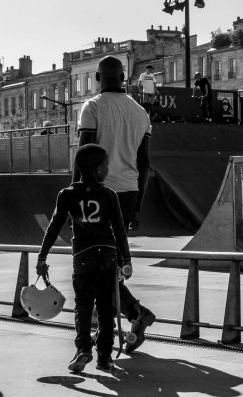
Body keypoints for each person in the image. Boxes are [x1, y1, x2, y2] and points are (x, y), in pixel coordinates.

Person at [76, 55, 155, 354]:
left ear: (98, 78)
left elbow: (83, 157)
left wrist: (74, 195)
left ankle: (135, 312)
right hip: (129, 192)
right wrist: (137, 207)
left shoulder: (92, 106)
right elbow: (145, 164)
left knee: (95, 266)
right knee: (106, 264)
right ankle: (131, 315)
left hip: (97, 194)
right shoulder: (140, 113)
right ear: (123, 78)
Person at [37, 143, 132, 372]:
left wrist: (42, 257)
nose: (108, 168)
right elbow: (119, 230)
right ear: (99, 169)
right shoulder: (109, 195)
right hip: (108, 255)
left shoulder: (67, 194)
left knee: (83, 305)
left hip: (83, 256)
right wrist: (126, 261)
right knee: (106, 308)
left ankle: (83, 349)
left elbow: (54, 227)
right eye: (106, 165)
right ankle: (104, 358)